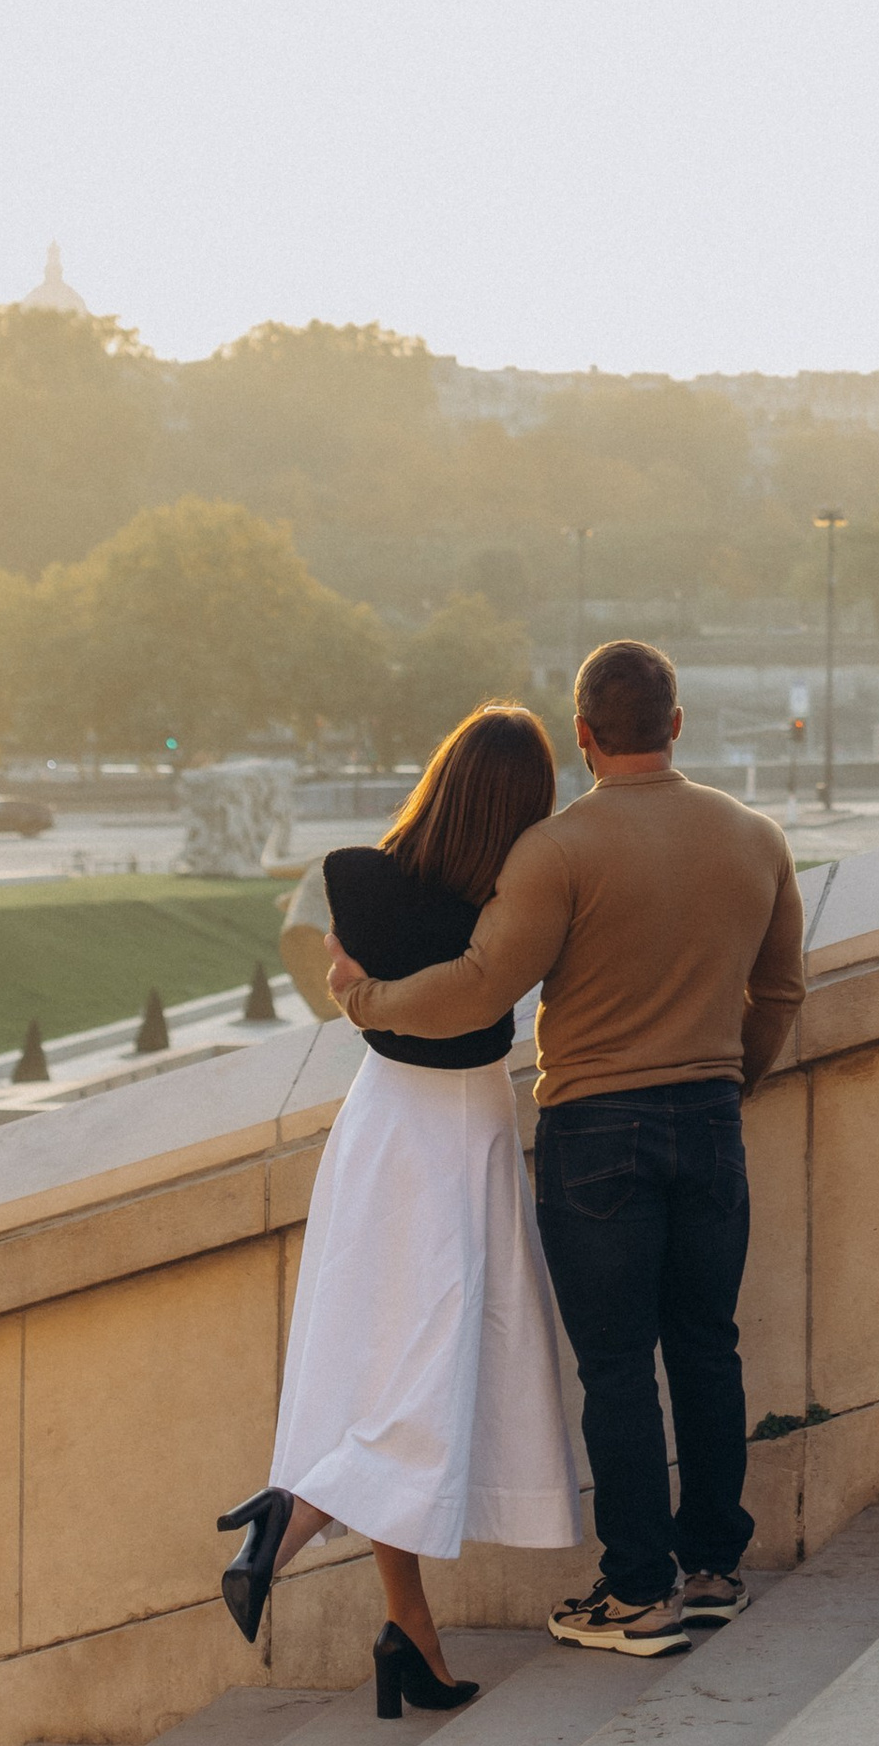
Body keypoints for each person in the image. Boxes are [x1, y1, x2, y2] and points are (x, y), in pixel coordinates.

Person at [326, 637, 806, 1658]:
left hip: (597, 1131)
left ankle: (640, 1592)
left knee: (621, 1368)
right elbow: (781, 994)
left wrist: (368, 998)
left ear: (585, 736)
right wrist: (732, 1078)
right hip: (711, 1116)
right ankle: (716, 1566)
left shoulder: (558, 852)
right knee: (708, 1348)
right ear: (676, 724)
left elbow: (480, 985)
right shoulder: (755, 838)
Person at [215, 704, 582, 1717]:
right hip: (454, 1142)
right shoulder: (505, 907)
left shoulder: (357, 877)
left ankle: (408, 1631)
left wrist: (364, 993)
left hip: (376, 1133)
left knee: (386, 1367)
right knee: (429, 1372)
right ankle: (295, 1512)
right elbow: (478, 1018)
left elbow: (332, 974)